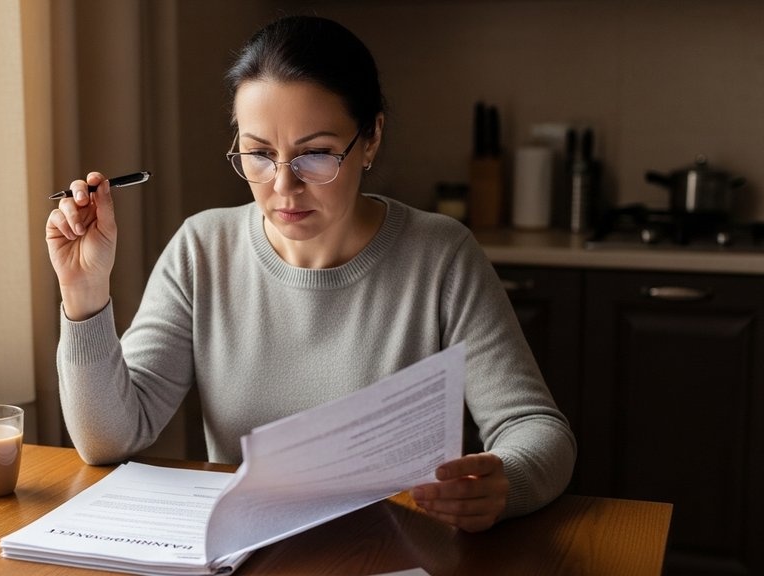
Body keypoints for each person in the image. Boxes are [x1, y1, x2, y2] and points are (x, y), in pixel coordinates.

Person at [46, 15, 575, 533]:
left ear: (370, 139)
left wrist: (505, 482)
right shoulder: (202, 250)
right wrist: (84, 291)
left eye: (316, 155)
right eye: (258, 154)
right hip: (250, 556)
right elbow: (108, 440)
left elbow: (536, 429)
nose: (283, 187)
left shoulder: (440, 255)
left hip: (395, 550)